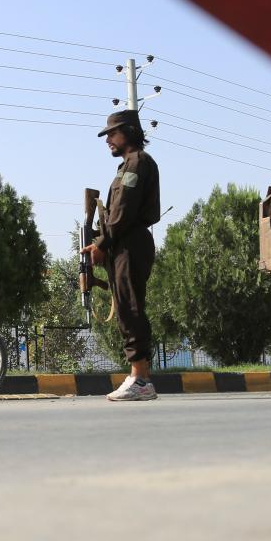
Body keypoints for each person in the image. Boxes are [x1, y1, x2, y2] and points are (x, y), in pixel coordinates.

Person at [81, 110, 161, 401]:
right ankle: (140, 376)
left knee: (130, 307)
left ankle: (140, 379)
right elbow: (116, 215)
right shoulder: (127, 165)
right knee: (128, 307)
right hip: (123, 242)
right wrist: (100, 243)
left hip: (131, 243)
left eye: (112, 134)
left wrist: (102, 243)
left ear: (128, 132)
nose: (108, 141)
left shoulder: (137, 163)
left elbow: (124, 211)